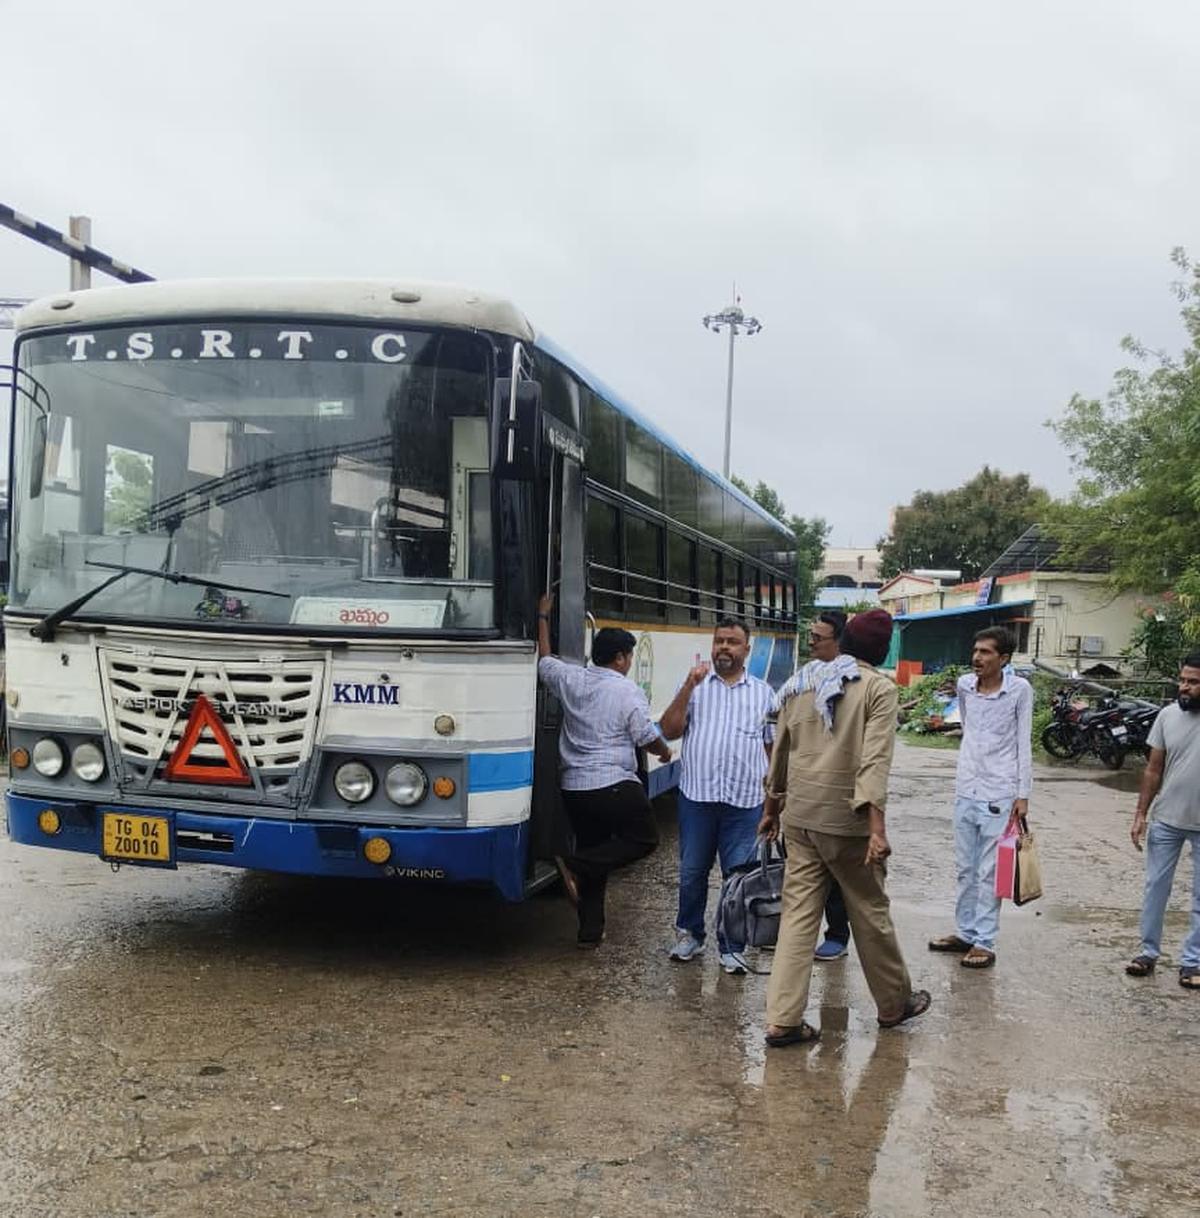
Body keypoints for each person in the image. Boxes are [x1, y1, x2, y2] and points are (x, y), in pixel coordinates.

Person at [759, 608, 930, 1046]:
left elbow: (781, 749)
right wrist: (877, 827)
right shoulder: (877, 689)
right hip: (847, 823)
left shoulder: (805, 681)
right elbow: (874, 762)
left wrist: (771, 807)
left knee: (798, 916)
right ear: (881, 649)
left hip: (800, 816)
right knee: (869, 910)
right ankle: (893, 1005)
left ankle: (782, 1019)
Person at [536, 592, 672, 947]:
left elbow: (544, 660)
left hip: (574, 788)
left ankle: (589, 932)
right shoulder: (627, 691)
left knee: (597, 853)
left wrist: (542, 618)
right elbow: (644, 735)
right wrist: (665, 752)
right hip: (613, 783)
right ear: (621, 658)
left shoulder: (571, 678)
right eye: (628, 657)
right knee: (644, 839)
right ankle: (575, 864)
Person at [657, 617, 775, 974]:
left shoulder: (763, 693)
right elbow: (668, 730)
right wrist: (687, 687)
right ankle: (690, 934)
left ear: (746, 650)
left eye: (732, 642)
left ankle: (732, 945)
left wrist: (774, 802)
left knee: (737, 877)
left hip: (745, 801)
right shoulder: (696, 687)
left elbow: (773, 750)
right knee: (692, 871)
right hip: (698, 798)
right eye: (719, 640)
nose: (724, 647)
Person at [928, 626, 1033, 969]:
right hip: (966, 788)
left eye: (986, 652)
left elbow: (1023, 743)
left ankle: (985, 942)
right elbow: (968, 728)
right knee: (965, 869)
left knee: (990, 872)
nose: (977, 657)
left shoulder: (1019, 691)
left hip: (1000, 793)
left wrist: (1023, 794)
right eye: (976, 650)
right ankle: (966, 931)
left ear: (1003, 659)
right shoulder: (964, 687)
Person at [1125, 652, 1200, 989]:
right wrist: (1141, 813)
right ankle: (1147, 953)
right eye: (1183, 680)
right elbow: (1153, 768)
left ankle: (1193, 962)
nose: (1185, 687)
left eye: (1193, 682)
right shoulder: (1168, 716)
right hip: (1167, 819)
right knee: (1156, 887)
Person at [805, 612, 854, 962]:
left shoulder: (852, 681)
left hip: (837, 791)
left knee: (837, 870)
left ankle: (837, 933)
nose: (810, 643)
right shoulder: (803, 680)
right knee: (802, 871)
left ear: (837, 641)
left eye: (817, 638)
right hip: (805, 788)